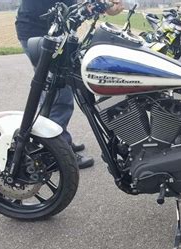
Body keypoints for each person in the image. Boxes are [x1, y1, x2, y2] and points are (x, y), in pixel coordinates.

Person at [15, 0, 124, 169]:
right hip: (41, 31)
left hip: (55, 30)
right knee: (58, 94)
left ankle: (57, 142)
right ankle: (55, 152)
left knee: (55, 92)